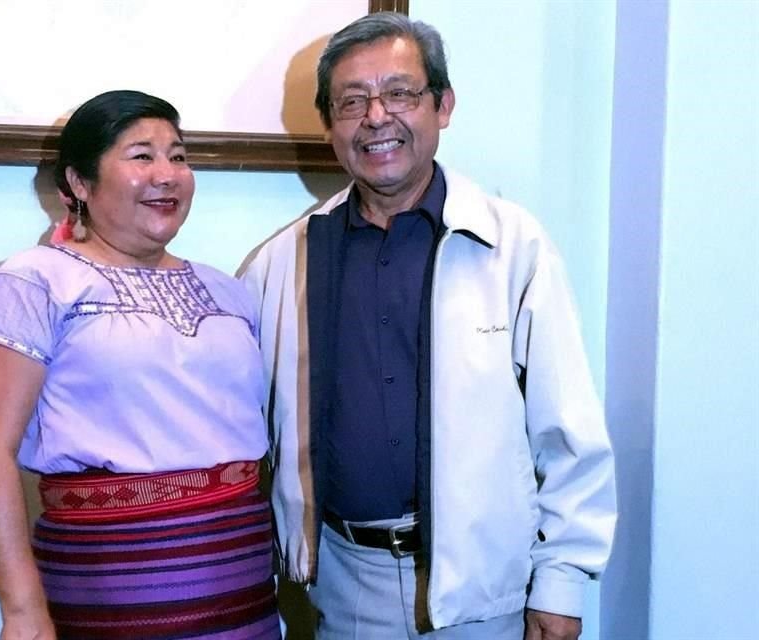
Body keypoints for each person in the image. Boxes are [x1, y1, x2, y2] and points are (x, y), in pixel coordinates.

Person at [239, 12, 616, 640]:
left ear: (442, 105)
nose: (376, 116)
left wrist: (562, 582)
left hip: (485, 589)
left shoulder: (511, 244)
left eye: (400, 93)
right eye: (351, 101)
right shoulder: (285, 260)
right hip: (345, 584)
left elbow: (567, 427)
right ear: (331, 125)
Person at [0, 90, 280, 640]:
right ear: (80, 184)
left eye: (178, 157)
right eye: (141, 156)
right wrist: (22, 610)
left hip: (239, 573)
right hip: (109, 580)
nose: (167, 175)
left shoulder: (228, 291)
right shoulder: (36, 282)